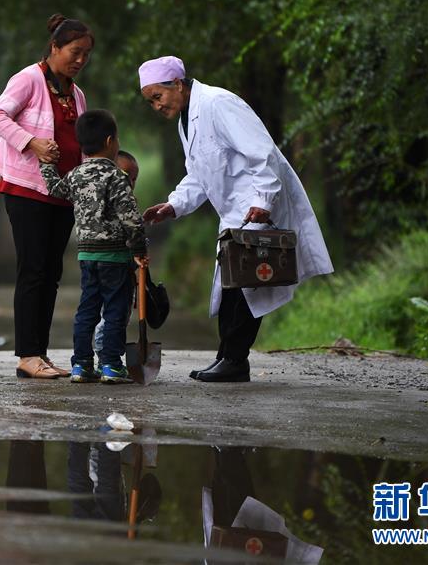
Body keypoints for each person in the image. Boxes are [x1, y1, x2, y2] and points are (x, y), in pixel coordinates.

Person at [138, 56, 333, 383]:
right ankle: (229, 357)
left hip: (255, 204)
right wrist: (174, 205)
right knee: (236, 283)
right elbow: (200, 175)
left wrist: (264, 200)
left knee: (245, 283)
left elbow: (262, 151)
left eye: (158, 97)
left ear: (178, 84)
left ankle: (234, 359)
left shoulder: (219, 104)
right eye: (150, 102)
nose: (156, 106)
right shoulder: (186, 120)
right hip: (238, 211)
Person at [0, 14, 94, 380]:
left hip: (62, 193)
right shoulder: (29, 78)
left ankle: (40, 355)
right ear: (54, 48)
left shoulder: (76, 94)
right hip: (26, 188)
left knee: (51, 273)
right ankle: (26, 355)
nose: (79, 61)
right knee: (32, 269)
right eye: (74, 52)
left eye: (86, 55)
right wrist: (30, 142)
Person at [39, 110, 148, 384]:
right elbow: (131, 218)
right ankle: (111, 365)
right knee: (114, 310)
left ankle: (82, 365)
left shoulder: (76, 175)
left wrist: (47, 164)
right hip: (115, 256)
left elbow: (55, 189)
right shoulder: (116, 176)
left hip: (87, 255)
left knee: (87, 309)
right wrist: (139, 249)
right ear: (111, 141)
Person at [93, 150, 139, 365]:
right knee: (112, 313)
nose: (130, 182)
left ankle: (110, 355)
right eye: (125, 175)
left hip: (121, 265)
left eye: (133, 178)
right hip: (114, 263)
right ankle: (107, 357)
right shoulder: (111, 203)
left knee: (119, 314)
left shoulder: (127, 200)